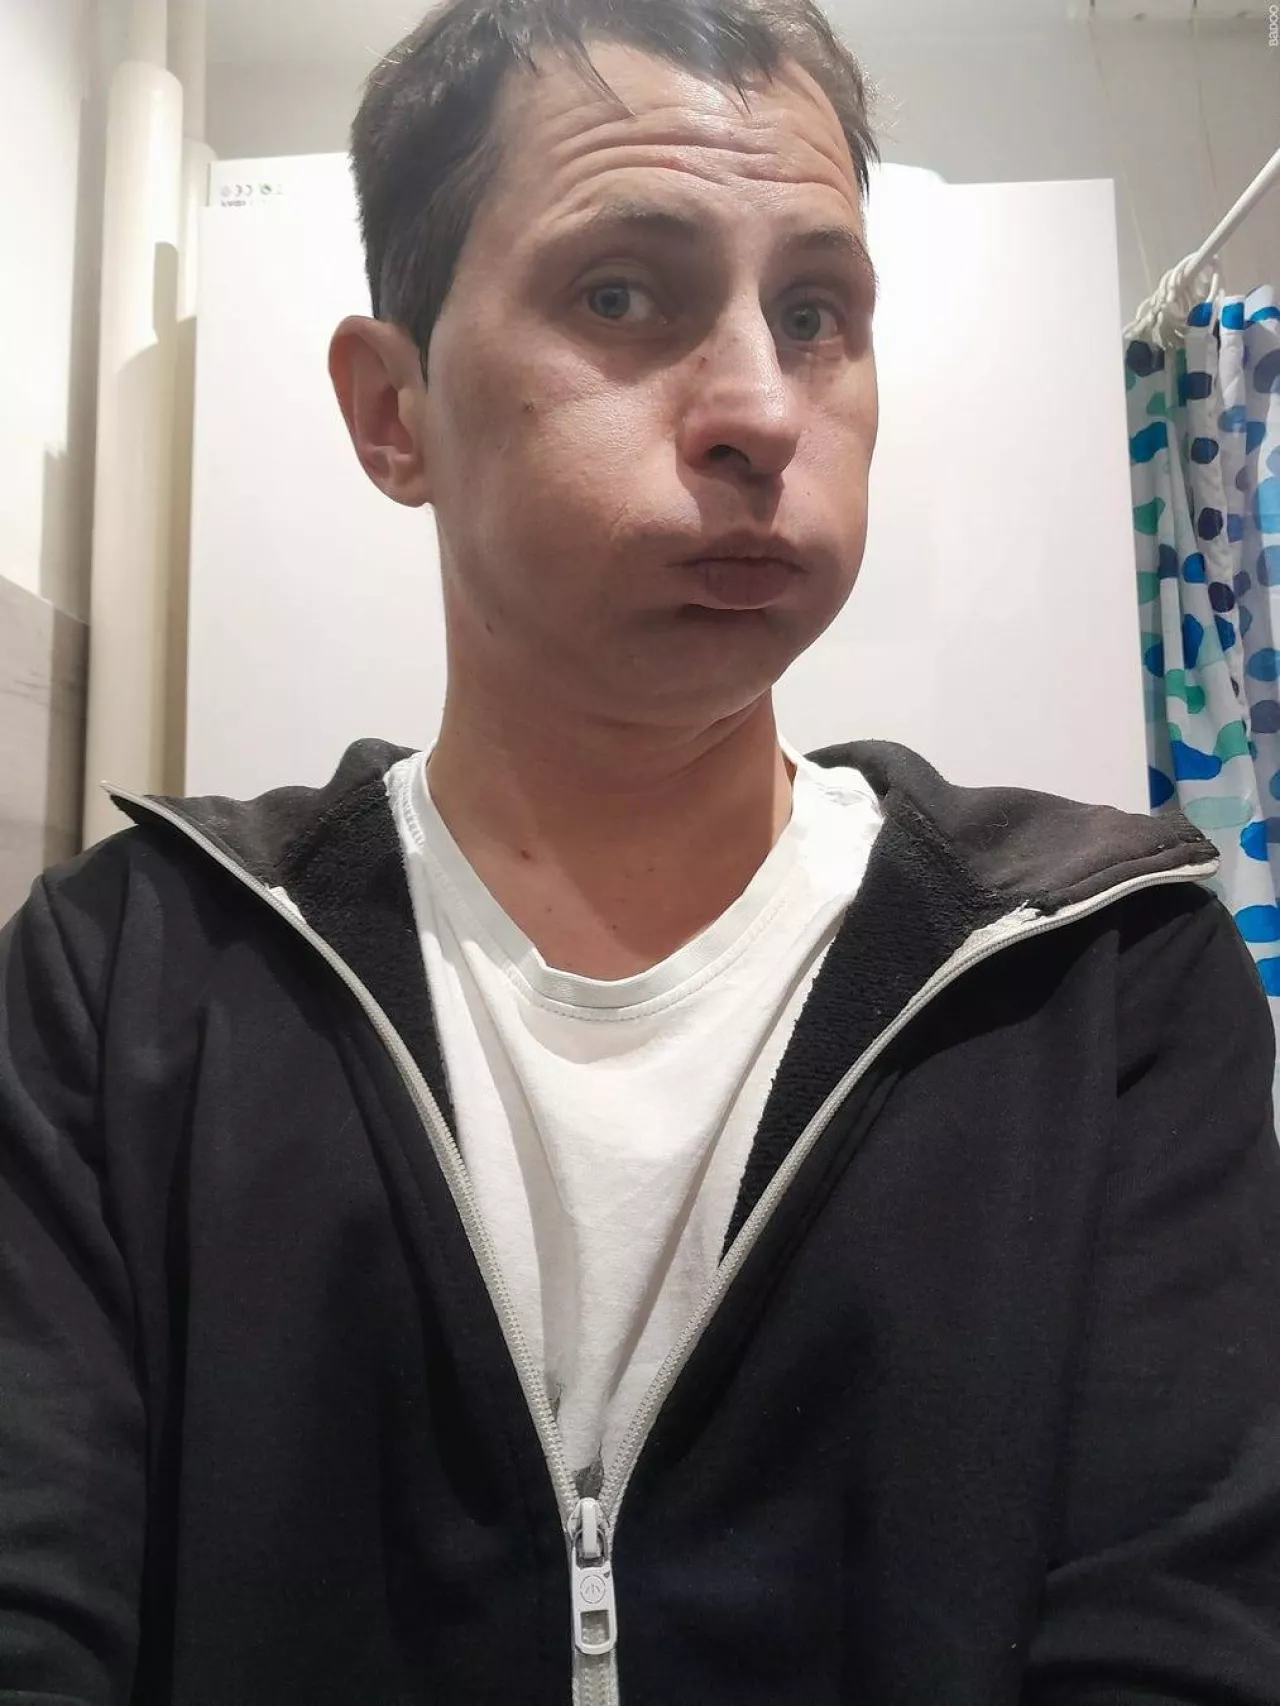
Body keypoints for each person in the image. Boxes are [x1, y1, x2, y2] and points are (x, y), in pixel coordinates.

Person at [2, 0, 1279, 1699]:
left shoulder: (1108, 985)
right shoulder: (127, 982)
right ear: (393, 411)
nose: (761, 406)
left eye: (815, 312)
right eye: (621, 294)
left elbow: (1184, 1640)